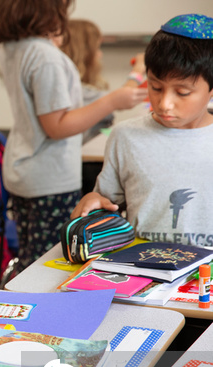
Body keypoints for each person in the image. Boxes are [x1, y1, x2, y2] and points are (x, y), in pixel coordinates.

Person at [0, 0, 147, 272]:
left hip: (24, 171)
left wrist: (125, 87)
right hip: (49, 178)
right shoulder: (45, 56)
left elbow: (68, 100)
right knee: (50, 266)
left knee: (31, 261)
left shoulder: (12, 47)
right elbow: (57, 126)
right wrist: (110, 103)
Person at [72, 14, 213, 247]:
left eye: (182, 92)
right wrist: (94, 200)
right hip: (142, 268)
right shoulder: (125, 137)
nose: (164, 103)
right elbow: (108, 204)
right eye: (155, 87)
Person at [60, 19, 147, 143]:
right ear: (85, 53)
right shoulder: (78, 91)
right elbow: (123, 98)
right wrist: (139, 69)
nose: (100, 54)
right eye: (97, 49)